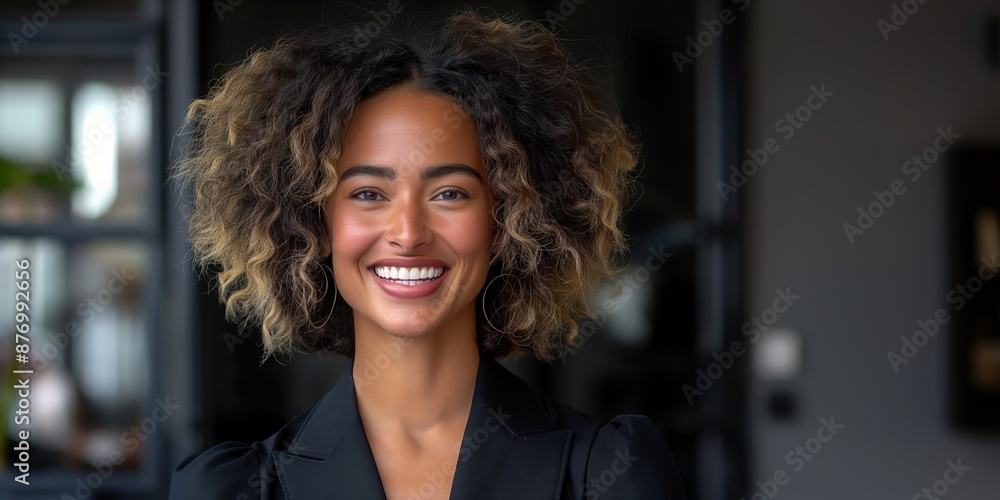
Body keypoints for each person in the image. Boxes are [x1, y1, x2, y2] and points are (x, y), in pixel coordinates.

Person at [169, 9, 685, 499]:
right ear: (314, 225)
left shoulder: (610, 474)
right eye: (368, 194)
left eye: (449, 194)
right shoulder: (234, 488)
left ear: (508, 221)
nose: (409, 232)